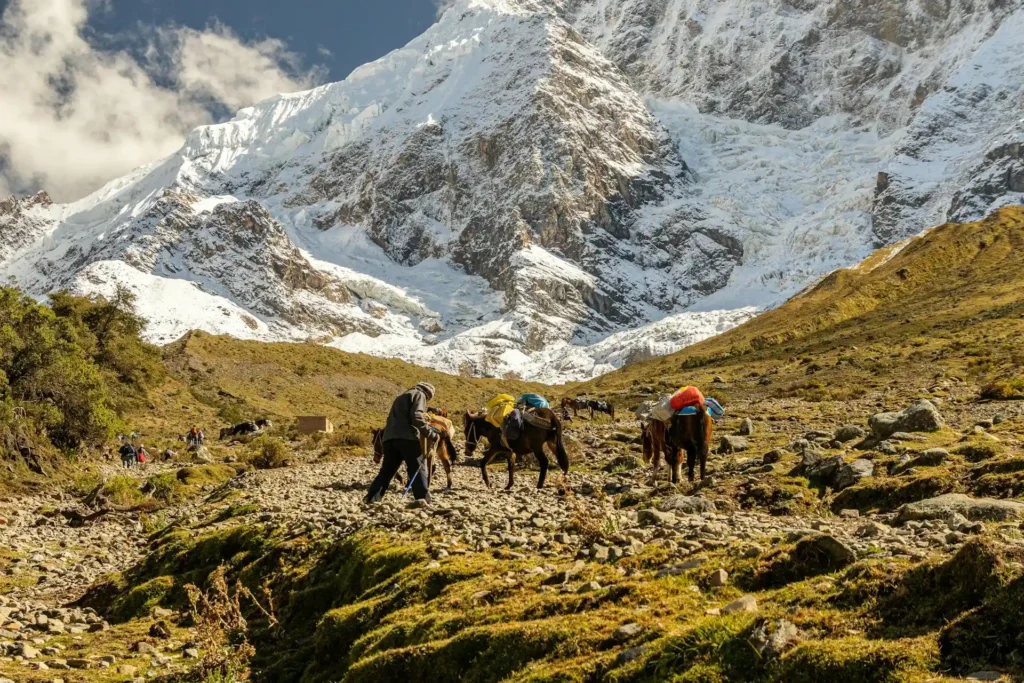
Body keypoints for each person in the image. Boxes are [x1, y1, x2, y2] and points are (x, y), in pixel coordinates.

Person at [365, 382, 439, 504]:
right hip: (407, 438)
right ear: (428, 393)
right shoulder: (420, 395)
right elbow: (417, 417)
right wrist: (431, 434)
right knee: (417, 468)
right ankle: (422, 499)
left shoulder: (401, 396)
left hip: (389, 439)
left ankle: (372, 497)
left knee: (387, 471)